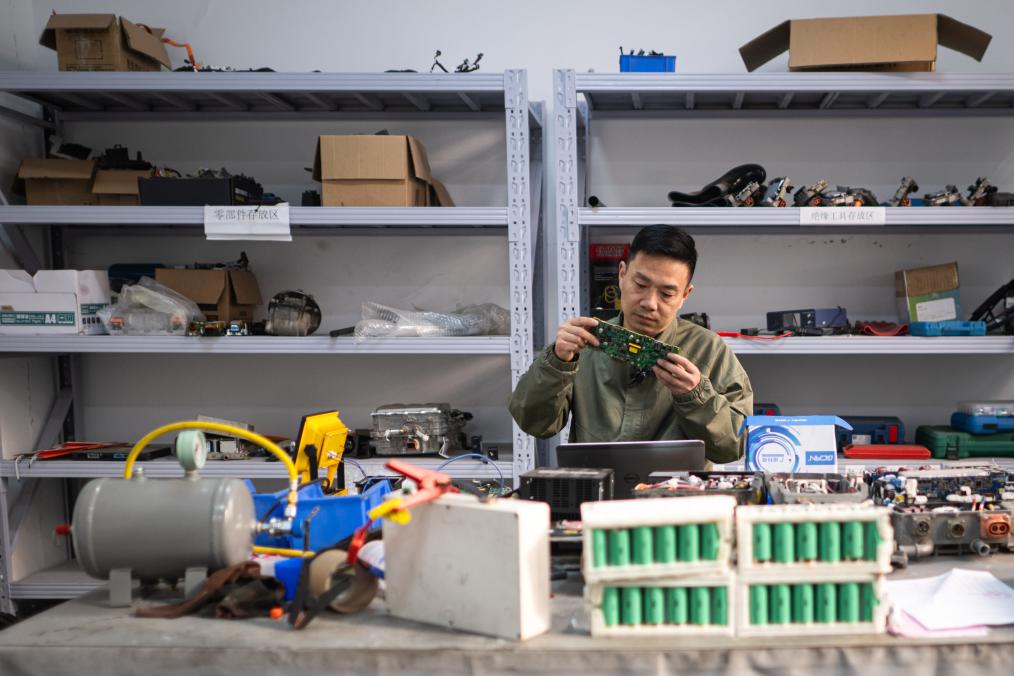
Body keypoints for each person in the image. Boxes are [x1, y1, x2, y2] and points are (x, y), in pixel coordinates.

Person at [509, 224, 752, 465]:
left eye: (667, 294)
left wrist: (696, 396)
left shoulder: (709, 351)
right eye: (641, 285)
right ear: (622, 274)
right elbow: (534, 424)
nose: (649, 303)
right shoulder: (584, 344)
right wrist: (557, 363)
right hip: (597, 487)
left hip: (676, 490)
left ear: (684, 295)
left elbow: (735, 446)